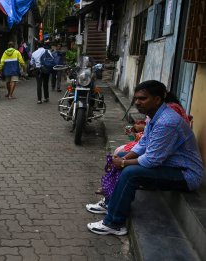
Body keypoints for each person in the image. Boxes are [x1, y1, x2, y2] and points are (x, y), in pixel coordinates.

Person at [87, 80, 204, 236]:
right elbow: (143, 144)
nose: (137, 102)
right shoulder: (154, 115)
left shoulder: (167, 122)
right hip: (169, 164)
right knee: (122, 156)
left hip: (186, 174)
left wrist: (123, 163)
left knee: (130, 173)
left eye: (143, 99)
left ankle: (114, 223)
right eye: (136, 98)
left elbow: (152, 160)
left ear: (157, 99)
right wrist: (123, 158)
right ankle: (110, 203)